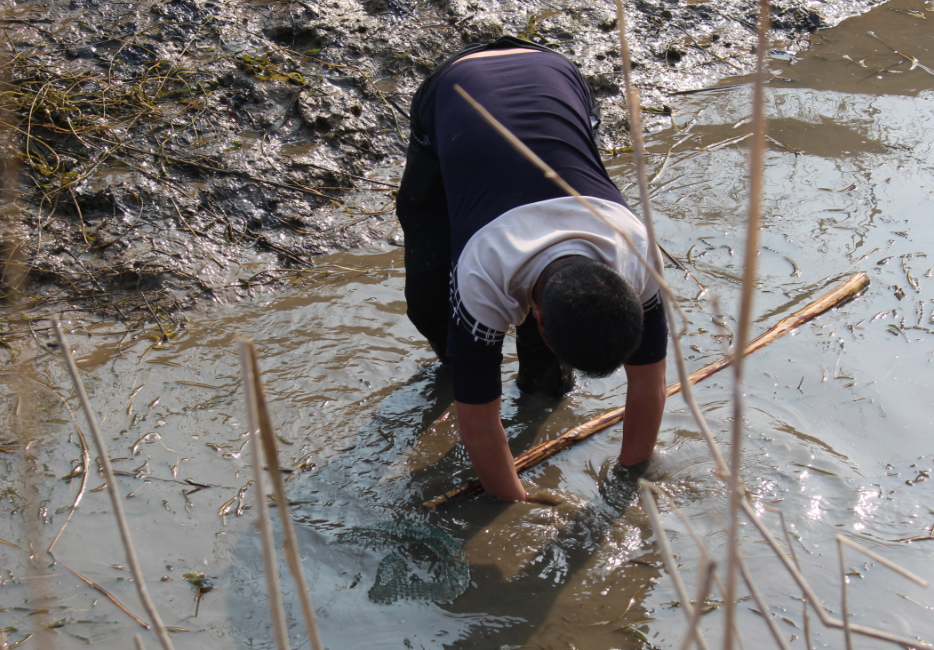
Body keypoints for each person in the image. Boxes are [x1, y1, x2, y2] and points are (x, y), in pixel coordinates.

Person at [396, 36, 668, 502]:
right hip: (456, 86)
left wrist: (631, 476)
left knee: (547, 379)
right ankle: (461, 367)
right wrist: (519, 507)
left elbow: (649, 383)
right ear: (535, 316)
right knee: (430, 303)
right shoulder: (482, 273)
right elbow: (479, 427)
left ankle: (531, 378)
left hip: (558, 79)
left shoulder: (637, 253)